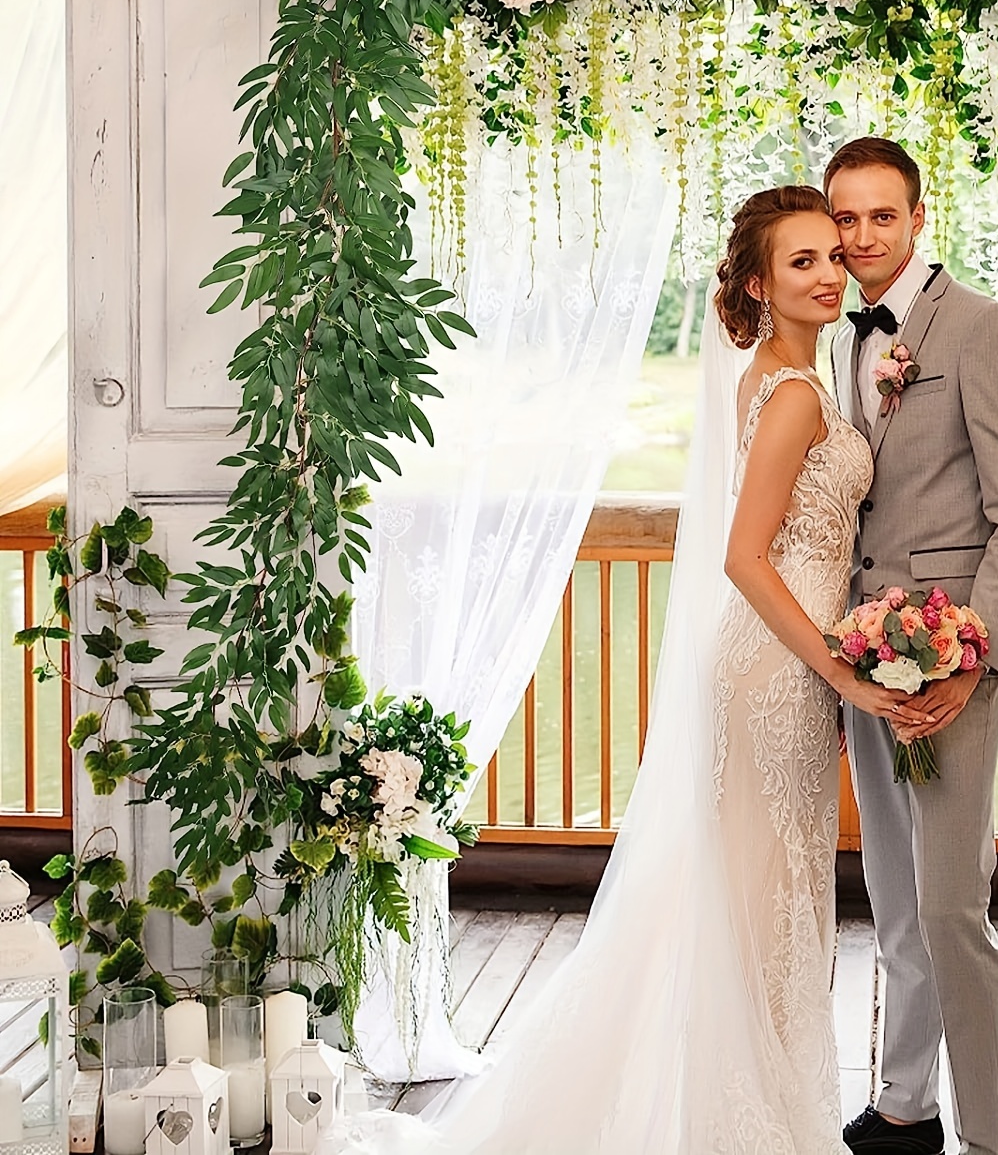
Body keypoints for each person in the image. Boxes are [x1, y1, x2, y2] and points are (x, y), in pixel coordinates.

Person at [324, 185, 912, 1155]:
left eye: (831, 258)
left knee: (772, 894)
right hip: (778, 665)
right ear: (759, 283)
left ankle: (761, 1103)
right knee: (766, 900)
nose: (827, 275)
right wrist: (838, 669)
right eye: (800, 262)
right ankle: (746, 1122)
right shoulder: (795, 395)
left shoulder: (789, 375)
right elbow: (743, 555)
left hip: (789, 660)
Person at [826, 138, 998, 1155]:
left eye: (882, 215)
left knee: (955, 907)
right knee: (896, 898)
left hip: (950, 653)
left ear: (918, 217)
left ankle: (992, 1141)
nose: (862, 235)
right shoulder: (837, 336)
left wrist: (973, 660)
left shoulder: (980, 326)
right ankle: (905, 1103)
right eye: (846, 217)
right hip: (863, 658)